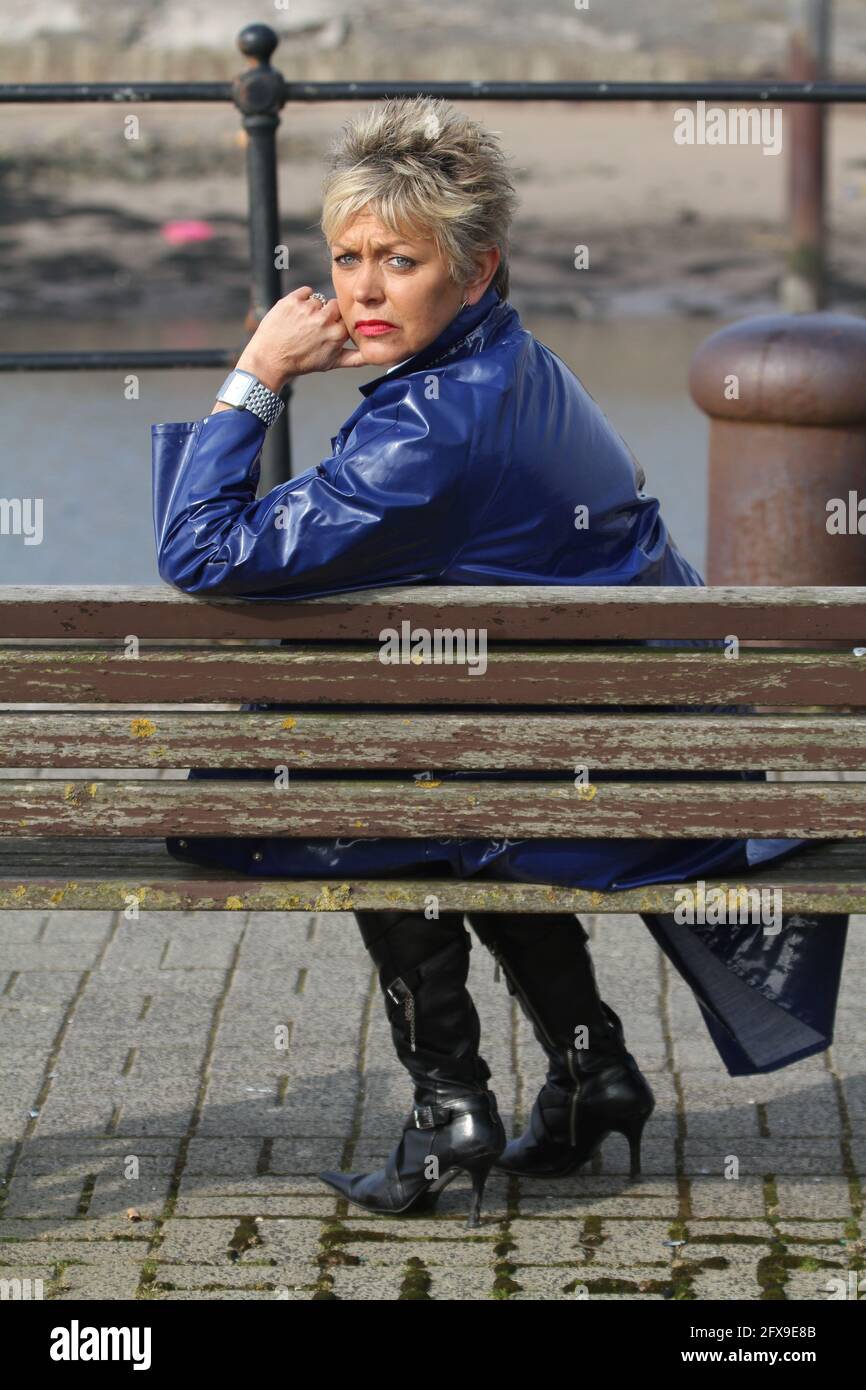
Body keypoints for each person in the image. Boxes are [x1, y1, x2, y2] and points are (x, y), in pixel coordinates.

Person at [151, 96, 848, 1228]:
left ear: (474, 274)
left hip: (607, 784)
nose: (363, 290)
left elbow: (200, 547)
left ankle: (448, 1105)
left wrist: (257, 372)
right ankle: (590, 1076)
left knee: (359, 805)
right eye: (346, 259)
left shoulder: (426, 435)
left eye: (399, 261)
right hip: (647, 760)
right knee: (436, 787)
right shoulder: (521, 367)